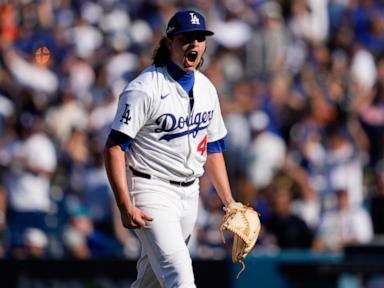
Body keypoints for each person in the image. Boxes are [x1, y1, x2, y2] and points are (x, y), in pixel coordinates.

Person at [104, 10, 237, 288]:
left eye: (199, 38)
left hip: (190, 193)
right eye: (185, 38)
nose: (194, 44)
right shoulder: (144, 88)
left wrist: (229, 203)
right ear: (168, 43)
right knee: (181, 276)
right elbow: (115, 148)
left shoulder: (206, 88)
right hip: (151, 191)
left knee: (152, 280)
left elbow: (213, 147)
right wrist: (124, 204)